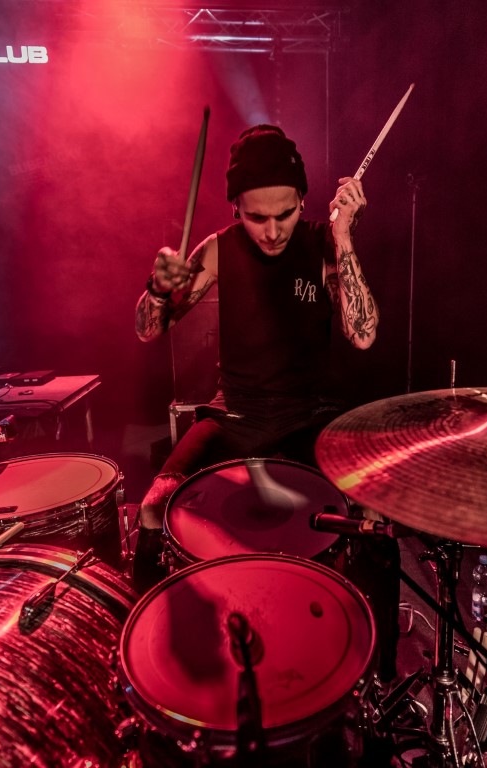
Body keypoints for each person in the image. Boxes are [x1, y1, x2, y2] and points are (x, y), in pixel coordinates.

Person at [132, 124, 399, 681]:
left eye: (286, 213)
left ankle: (381, 680)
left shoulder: (323, 244)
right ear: (236, 208)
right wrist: (157, 288)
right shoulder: (217, 250)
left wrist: (345, 237)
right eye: (257, 217)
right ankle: (148, 665)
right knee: (153, 508)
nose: (274, 231)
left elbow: (363, 334)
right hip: (235, 413)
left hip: (312, 414)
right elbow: (149, 330)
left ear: (302, 199)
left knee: (375, 518)